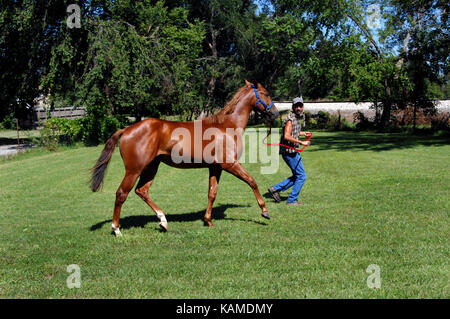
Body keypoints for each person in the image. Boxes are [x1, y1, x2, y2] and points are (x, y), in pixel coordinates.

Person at [268, 96, 311, 206]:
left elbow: (293, 132)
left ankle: (275, 189)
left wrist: (303, 133)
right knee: (301, 176)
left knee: (298, 176)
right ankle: (291, 200)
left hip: (290, 151)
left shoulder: (296, 117)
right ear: (293, 106)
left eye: (300, 106)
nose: (298, 108)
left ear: (302, 107)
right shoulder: (290, 119)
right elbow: (287, 136)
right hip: (289, 152)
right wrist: (302, 142)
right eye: (296, 106)